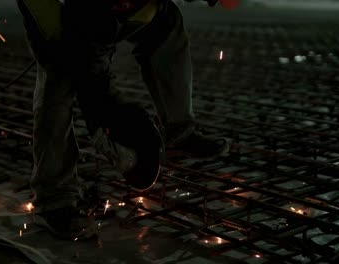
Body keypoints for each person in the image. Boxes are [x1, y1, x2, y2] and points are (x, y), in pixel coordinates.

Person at [16, 0, 228, 240]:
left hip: (97, 14)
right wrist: (102, 123)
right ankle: (53, 200)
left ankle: (180, 130)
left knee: (165, 20)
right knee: (59, 74)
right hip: (51, 8)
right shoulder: (81, 19)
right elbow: (92, 70)